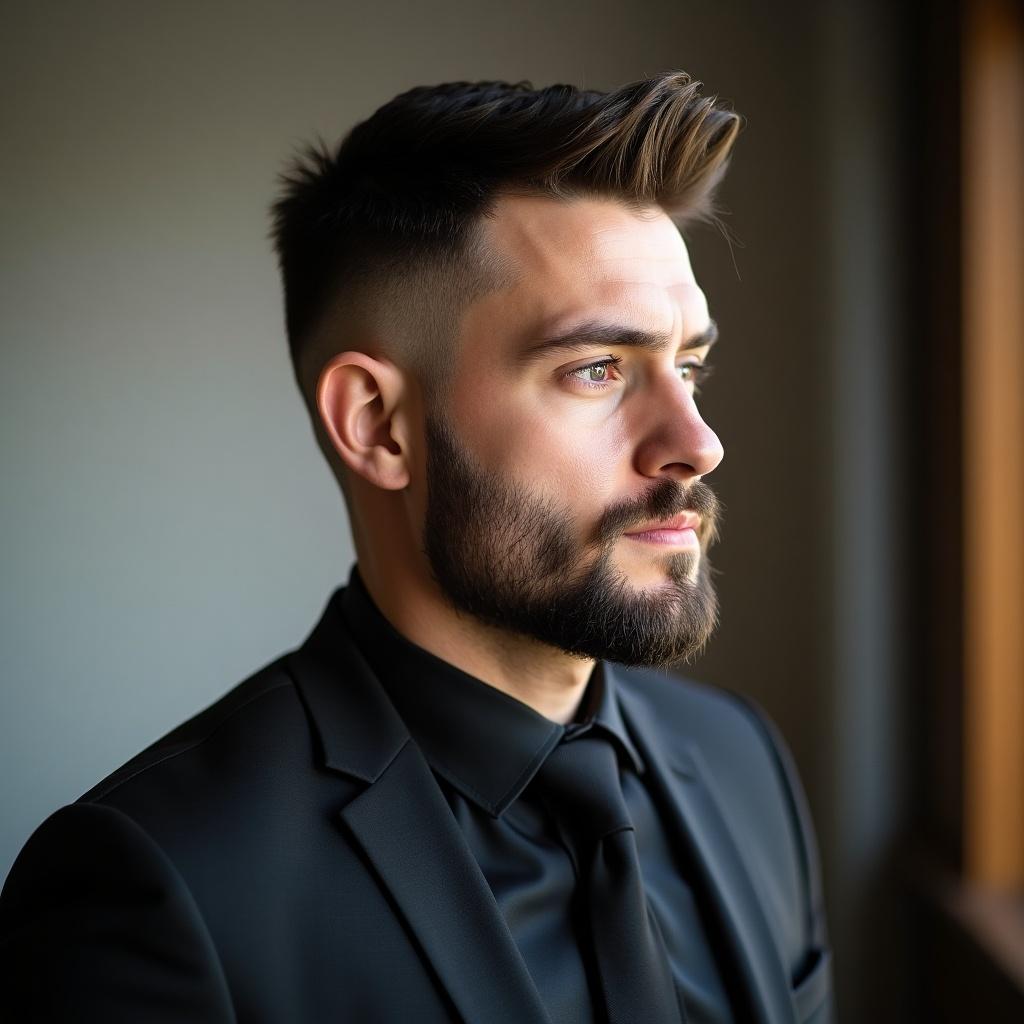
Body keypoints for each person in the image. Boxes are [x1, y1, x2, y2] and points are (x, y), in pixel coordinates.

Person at [0, 72, 834, 1023]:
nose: (698, 441)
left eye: (687, 365)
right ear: (379, 427)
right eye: (598, 368)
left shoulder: (742, 763)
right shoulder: (158, 887)